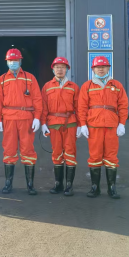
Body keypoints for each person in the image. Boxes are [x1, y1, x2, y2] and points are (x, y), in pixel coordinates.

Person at [77, 56, 128, 199]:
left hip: (112, 125)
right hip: (94, 125)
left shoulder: (116, 85)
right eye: (98, 67)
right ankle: (95, 187)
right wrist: (83, 124)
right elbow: (82, 107)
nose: (101, 69)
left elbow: (123, 105)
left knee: (111, 156)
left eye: (103, 67)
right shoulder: (87, 86)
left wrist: (122, 123)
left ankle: (112, 188)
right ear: (93, 69)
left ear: (108, 68)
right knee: (95, 156)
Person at [0, 49, 43, 195]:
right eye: (11, 61)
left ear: (20, 61)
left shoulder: (30, 78)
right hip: (9, 118)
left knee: (28, 150)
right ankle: (8, 184)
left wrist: (37, 117)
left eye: (15, 60)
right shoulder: (2, 79)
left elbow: (37, 98)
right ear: (7, 62)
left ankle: (30, 185)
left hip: (26, 118)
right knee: (9, 150)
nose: (13, 63)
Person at [41, 57, 81, 196]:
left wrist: (81, 125)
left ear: (67, 69)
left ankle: (69, 186)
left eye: (63, 67)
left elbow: (79, 108)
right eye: (57, 67)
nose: (60, 70)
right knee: (57, 153)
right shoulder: (47, 86)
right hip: (54, 124)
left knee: (70, 152)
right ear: (53, 69)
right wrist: (43, 123)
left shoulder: (74, 87)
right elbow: (43, 107)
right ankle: (58, 184)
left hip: (70, 123)